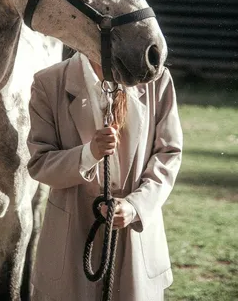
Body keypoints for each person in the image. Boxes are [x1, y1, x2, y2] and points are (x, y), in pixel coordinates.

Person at [26, 51, 183, 301]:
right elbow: (40, 163)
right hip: (71, 239)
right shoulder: (49, 82)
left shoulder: (157, 78)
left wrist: (135, 206)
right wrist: (90, 153)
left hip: (137, 238)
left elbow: (169, 153)